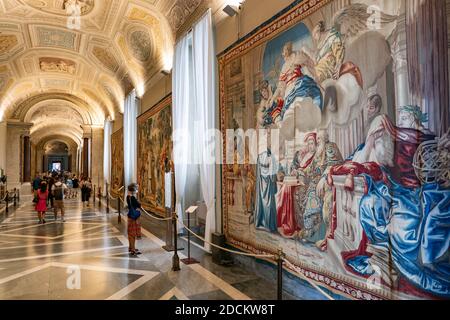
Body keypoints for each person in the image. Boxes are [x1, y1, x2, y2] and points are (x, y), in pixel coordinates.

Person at [126, 183, 142, 256]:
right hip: (134, 217)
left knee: (130, 234)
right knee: (133, 234)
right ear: (133, 190)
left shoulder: (128, 196)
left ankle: (131, 247)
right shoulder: (132, 198)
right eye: (136, 188)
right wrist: (138, 199)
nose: (137, 190)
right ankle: (133, 249)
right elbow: (139, 205)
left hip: (130, 216)